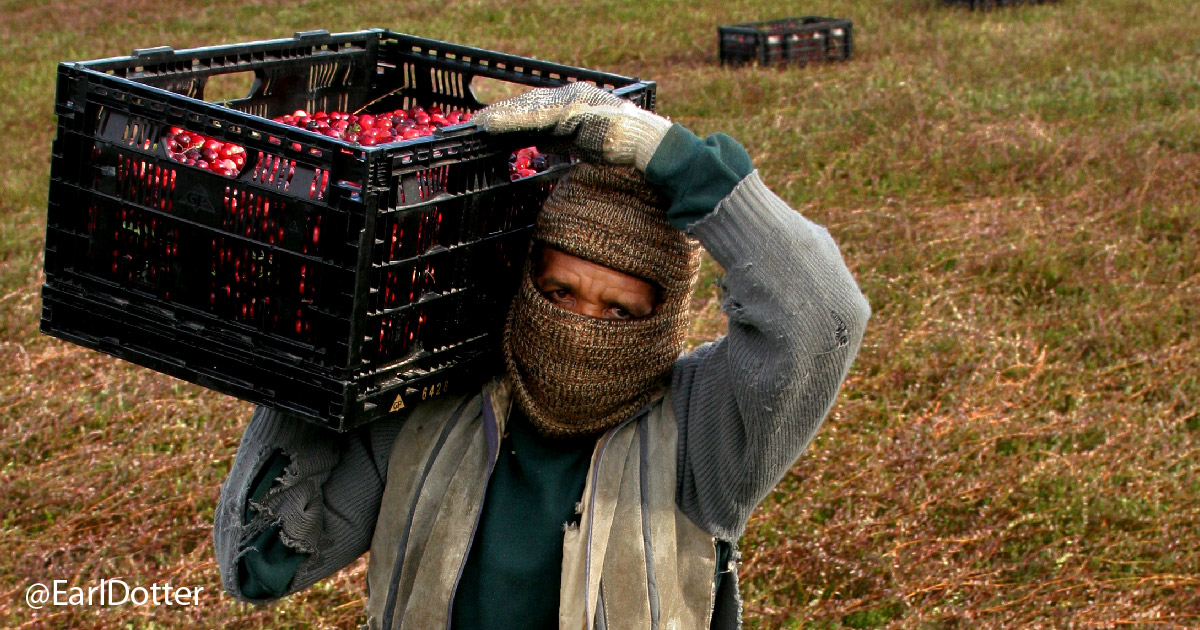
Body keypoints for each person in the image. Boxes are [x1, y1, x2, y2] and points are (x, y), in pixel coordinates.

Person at [212, 82, 870, 629]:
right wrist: (306, 350)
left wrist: (667, 154)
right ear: (526, 283)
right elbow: (260, 567)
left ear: (662, 315)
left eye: (619, 311)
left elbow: (823, 315)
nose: (581, 325)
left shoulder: (700, 438)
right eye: (560, 291)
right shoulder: (437, 409)